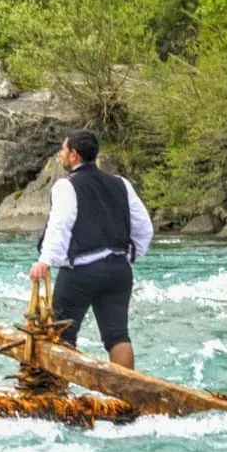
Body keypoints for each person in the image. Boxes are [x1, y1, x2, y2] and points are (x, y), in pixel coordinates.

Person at [29, 129, 153, 369]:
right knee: (117, 335)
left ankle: (58, 397)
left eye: (64, 150)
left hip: (81, 273)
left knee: (61, 335)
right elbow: (144, 227)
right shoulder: (121, 184)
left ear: (74, 154)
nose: (61, 155)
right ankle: (126, 395)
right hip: (119, 270)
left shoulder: (66, 186)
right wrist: (130, 255)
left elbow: (61, 223)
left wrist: (45, 261)